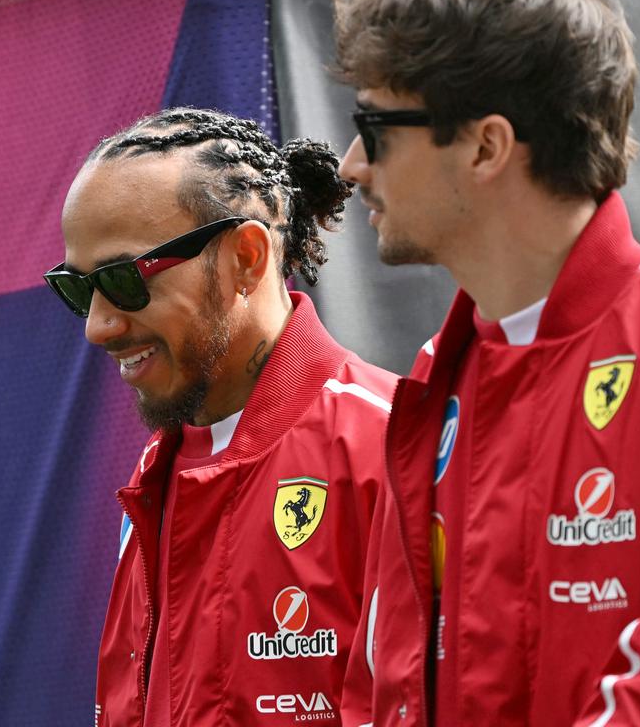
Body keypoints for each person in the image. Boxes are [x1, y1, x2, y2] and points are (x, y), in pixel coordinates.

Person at [331, 0, 640, 724]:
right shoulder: (431, 380)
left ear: (486, 148)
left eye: (375, 129)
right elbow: (386, 692)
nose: (351, 167)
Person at [44, 107, 397, 726]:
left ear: (247, 258)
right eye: (77, 288)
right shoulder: (161, 465)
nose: (98, 326)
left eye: (125, 279)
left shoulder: (393, 447)